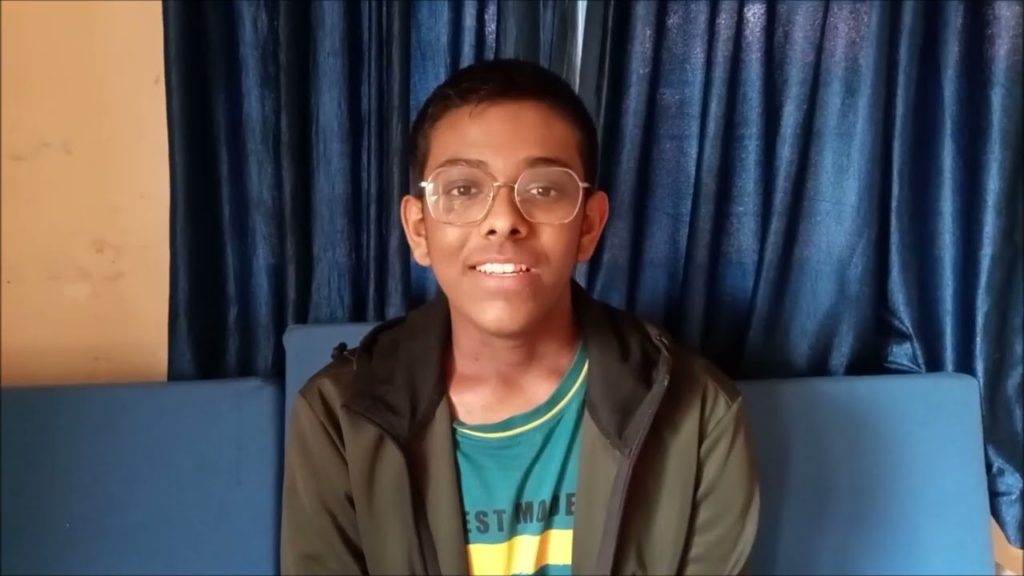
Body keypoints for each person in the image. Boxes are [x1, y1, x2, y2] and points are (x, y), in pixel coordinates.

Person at [281, 58, 759, 575]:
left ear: (589, 226)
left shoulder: (699, 415)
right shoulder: (340, 416)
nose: (504, 221)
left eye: (543, 189)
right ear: (419, 229)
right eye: (463, 189)